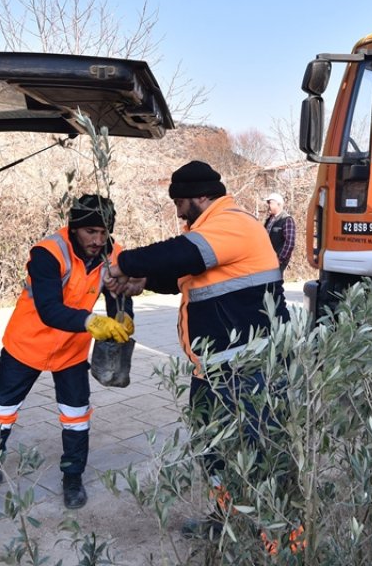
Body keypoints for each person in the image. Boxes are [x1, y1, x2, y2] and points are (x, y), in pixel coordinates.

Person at [105, 161, 290, 536]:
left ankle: (282, 541)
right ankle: (227, 522)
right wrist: (143, 282)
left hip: (248, 370)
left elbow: (180, 254)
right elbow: (185, 276)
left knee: (259, 459)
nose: (176, 211)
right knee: (213, 452)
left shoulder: (234, 224)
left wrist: (121, 262)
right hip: (213, 370)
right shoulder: (210, 231)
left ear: (201, 196)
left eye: (180, 202)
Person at [0, 194, 134, 510]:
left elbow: (117, 291)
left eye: (104, 232)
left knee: (77, 416)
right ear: (75, 228)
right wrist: (93, 321)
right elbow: (50, 310)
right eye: (91, 231)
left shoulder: (112, 254)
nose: (98, 240)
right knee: (1, 412)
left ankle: (73, 476)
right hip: (27, 345)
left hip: (72, 350)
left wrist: (124, 313)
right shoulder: (48, 253)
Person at [262, 192, 297, 275]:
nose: (268, 206)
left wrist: (280, 259)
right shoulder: (269, 220)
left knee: (275, 285)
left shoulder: (287, 220)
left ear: (279, 204)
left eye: (270, 203)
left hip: (278, 260)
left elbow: (290, 243)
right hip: (267, 259)